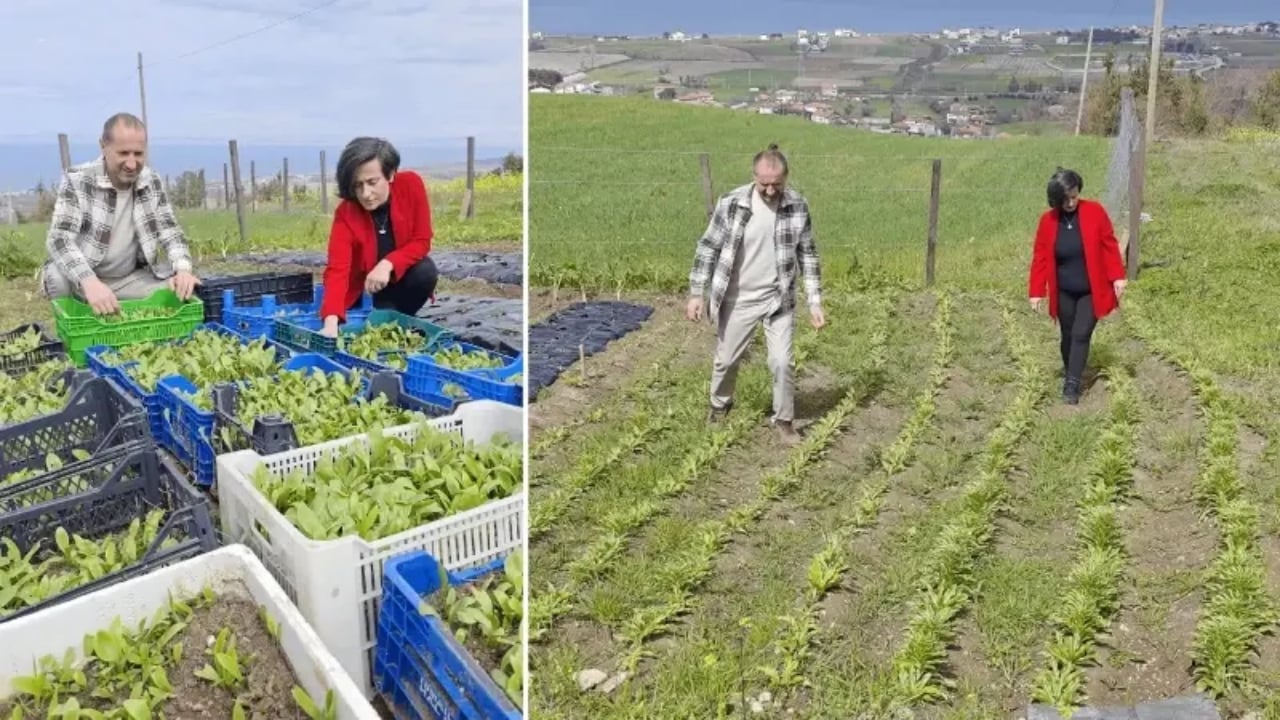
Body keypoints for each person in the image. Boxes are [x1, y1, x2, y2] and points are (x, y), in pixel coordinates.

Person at [686, 143, 826, 445]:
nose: (771, 190)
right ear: (754, 176)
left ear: (786, 179)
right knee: (726, 360)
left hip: (779, 298)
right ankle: (720, 406)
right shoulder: (733, 203)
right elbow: (708, 247)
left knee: (782, 362)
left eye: (777, 184)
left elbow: (809, 256)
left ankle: (784, 420)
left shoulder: (797, 206)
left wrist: (814, 302)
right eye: (764, 184)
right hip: (738, 296)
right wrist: (697, 293)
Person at [40, 112, 200, 315]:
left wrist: (183, 270)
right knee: (56, 278)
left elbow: (171, 232)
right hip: (84, 279)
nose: (132, 164)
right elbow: (59, 240)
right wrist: (90, 282)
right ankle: (75, 319)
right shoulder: (78, 181)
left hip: (129, 279)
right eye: (123, 153)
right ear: (103, 146)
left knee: (181, 291)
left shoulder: (151, 181)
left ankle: (114, 307)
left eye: (138, 154)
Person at [318, 137, 440, 337]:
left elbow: (421, 240)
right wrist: (330, 322)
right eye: (358, 185)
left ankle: (400, 319)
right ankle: (389, 323)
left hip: (398, 281)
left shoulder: (411, 185)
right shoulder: (346, 213)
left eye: (372, 182)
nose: (366, 194)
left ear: (390, 174)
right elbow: (337, 270)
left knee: (425, 270)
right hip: (366, 291)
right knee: (377, 322)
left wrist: (387, 264)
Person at [1027, 167, 1127, 405]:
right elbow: (1040, 256)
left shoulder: (1095, 212)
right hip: (1064, 290)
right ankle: (1071, 367)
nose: (1071, 202)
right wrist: (1036, 291)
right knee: (1068, 335)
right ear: (1056, 199)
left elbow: (1109, 245)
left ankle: (1072, 384)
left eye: (1074, 196)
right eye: (1066, 199)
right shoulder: (1048, 221)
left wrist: (1117, 276)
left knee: (1082, 334)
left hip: (1092, 288)